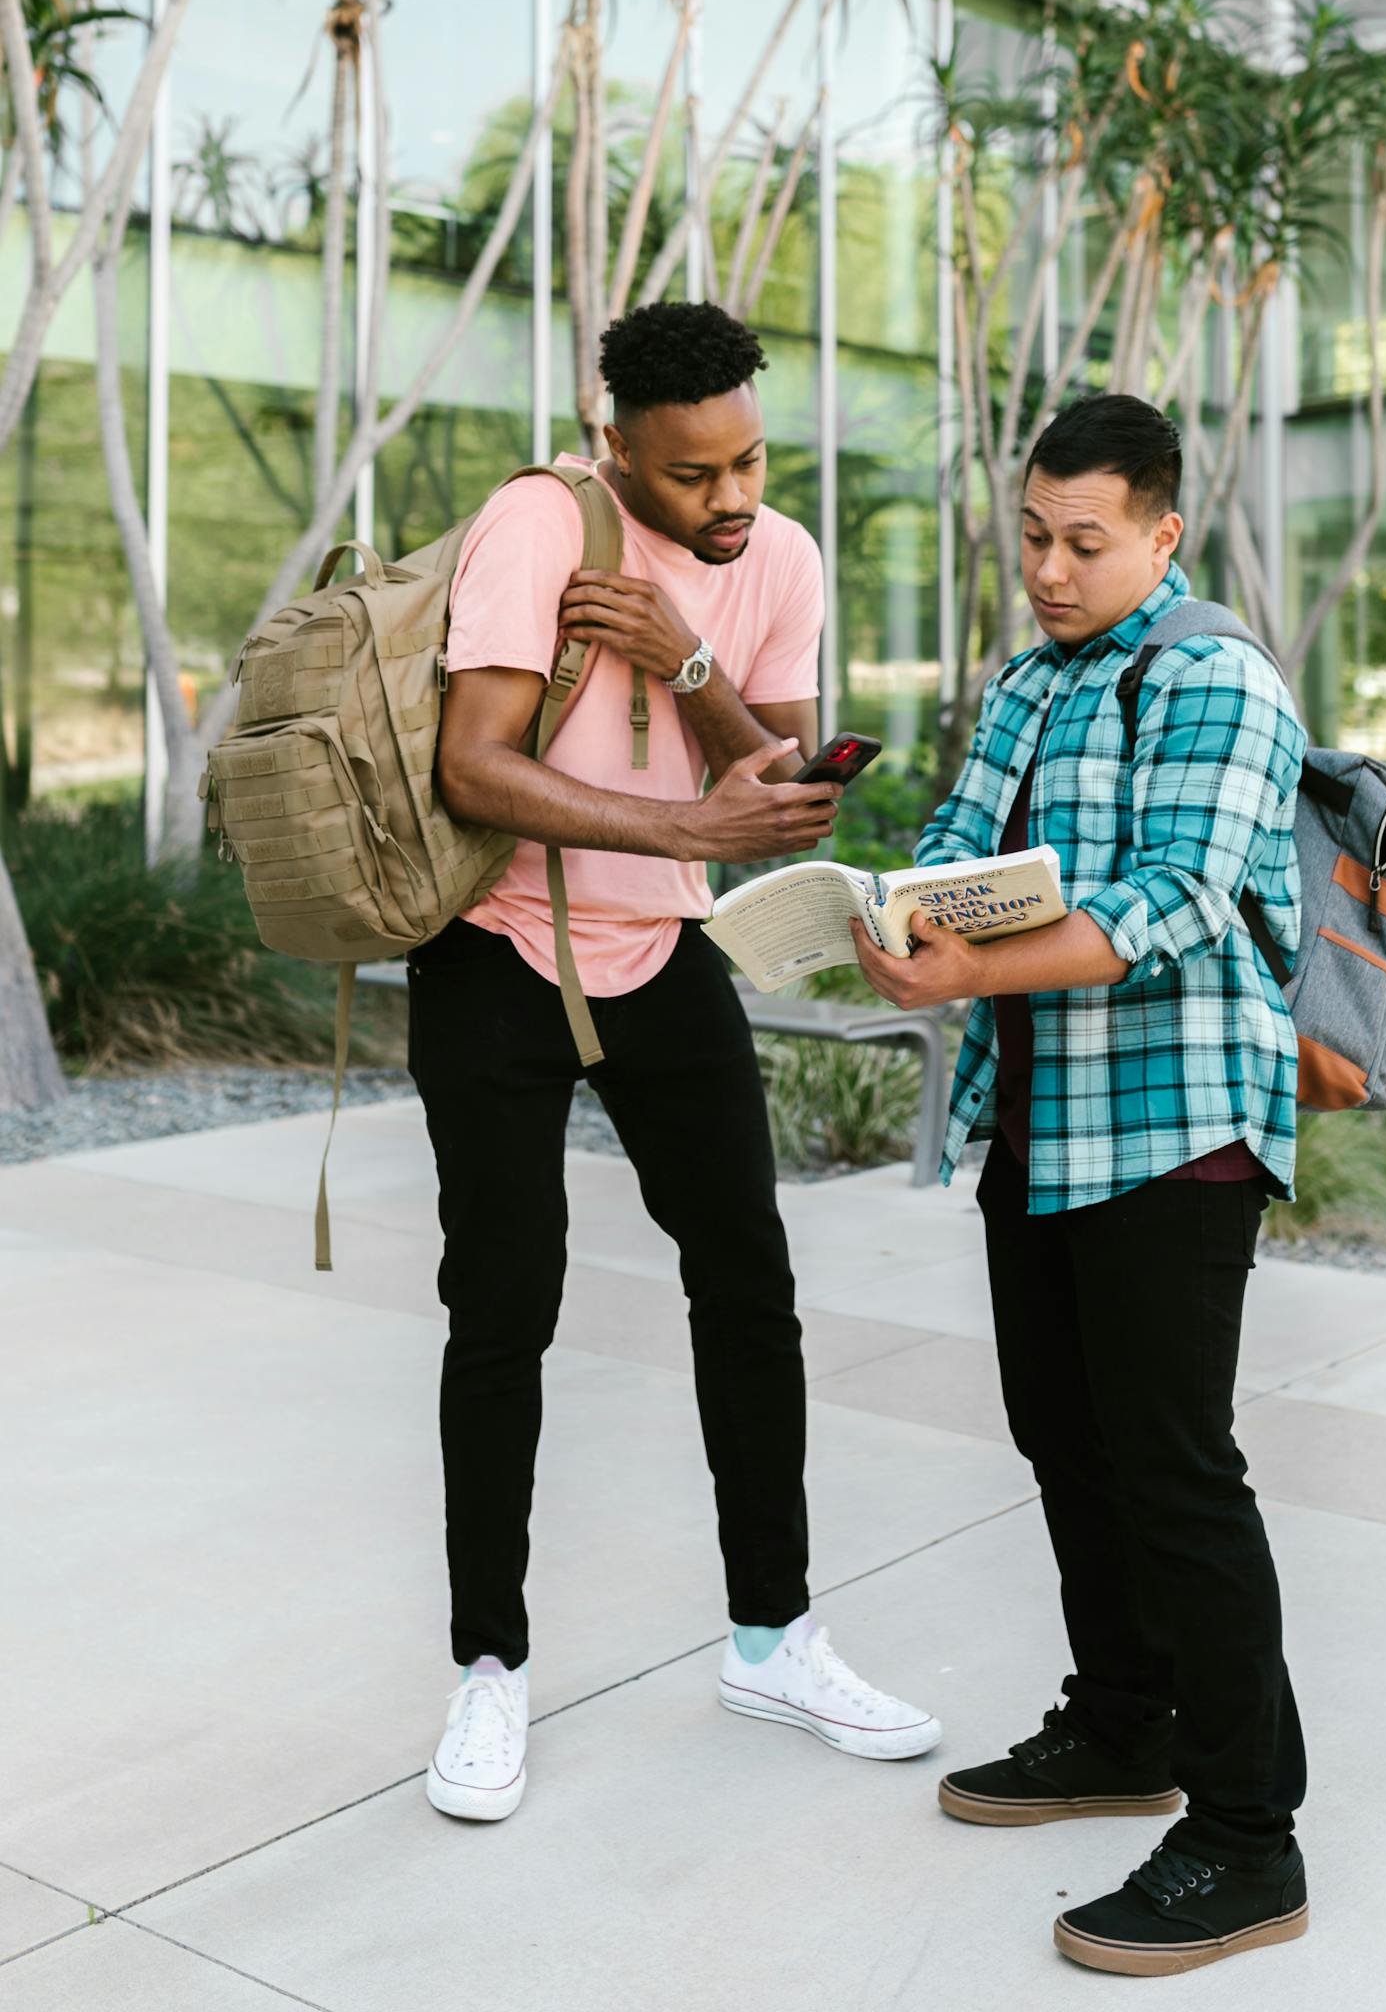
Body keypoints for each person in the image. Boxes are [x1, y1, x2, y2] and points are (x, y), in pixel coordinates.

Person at [411, 300, 941, 1823]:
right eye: (693, 473)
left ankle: (773, 1638)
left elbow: (770, 779)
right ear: (617, 452)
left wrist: (687, 653)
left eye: (749, 459)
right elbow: (476, 763)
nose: (732, 496)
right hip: (498, 952)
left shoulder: (775, 558)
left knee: (749, 1285)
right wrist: (687, 828)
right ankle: (487, 1670)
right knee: (503, 1306)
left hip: (667, 955)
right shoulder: (540, 525)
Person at [852, 393, 1309, 1979]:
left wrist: (967, 961)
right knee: (1066, 1434)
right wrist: (895, 919)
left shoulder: (1218, 679)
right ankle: (1126, 1725)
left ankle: (1252, 1836)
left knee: (1176, 1466)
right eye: (1033, 536)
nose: (1048, 568)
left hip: (1178, 1127)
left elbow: (1166, 902)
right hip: (1038, 1119)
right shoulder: (1028, 684)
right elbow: (958, 839)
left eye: (1085, 541)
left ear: (1163, 533)